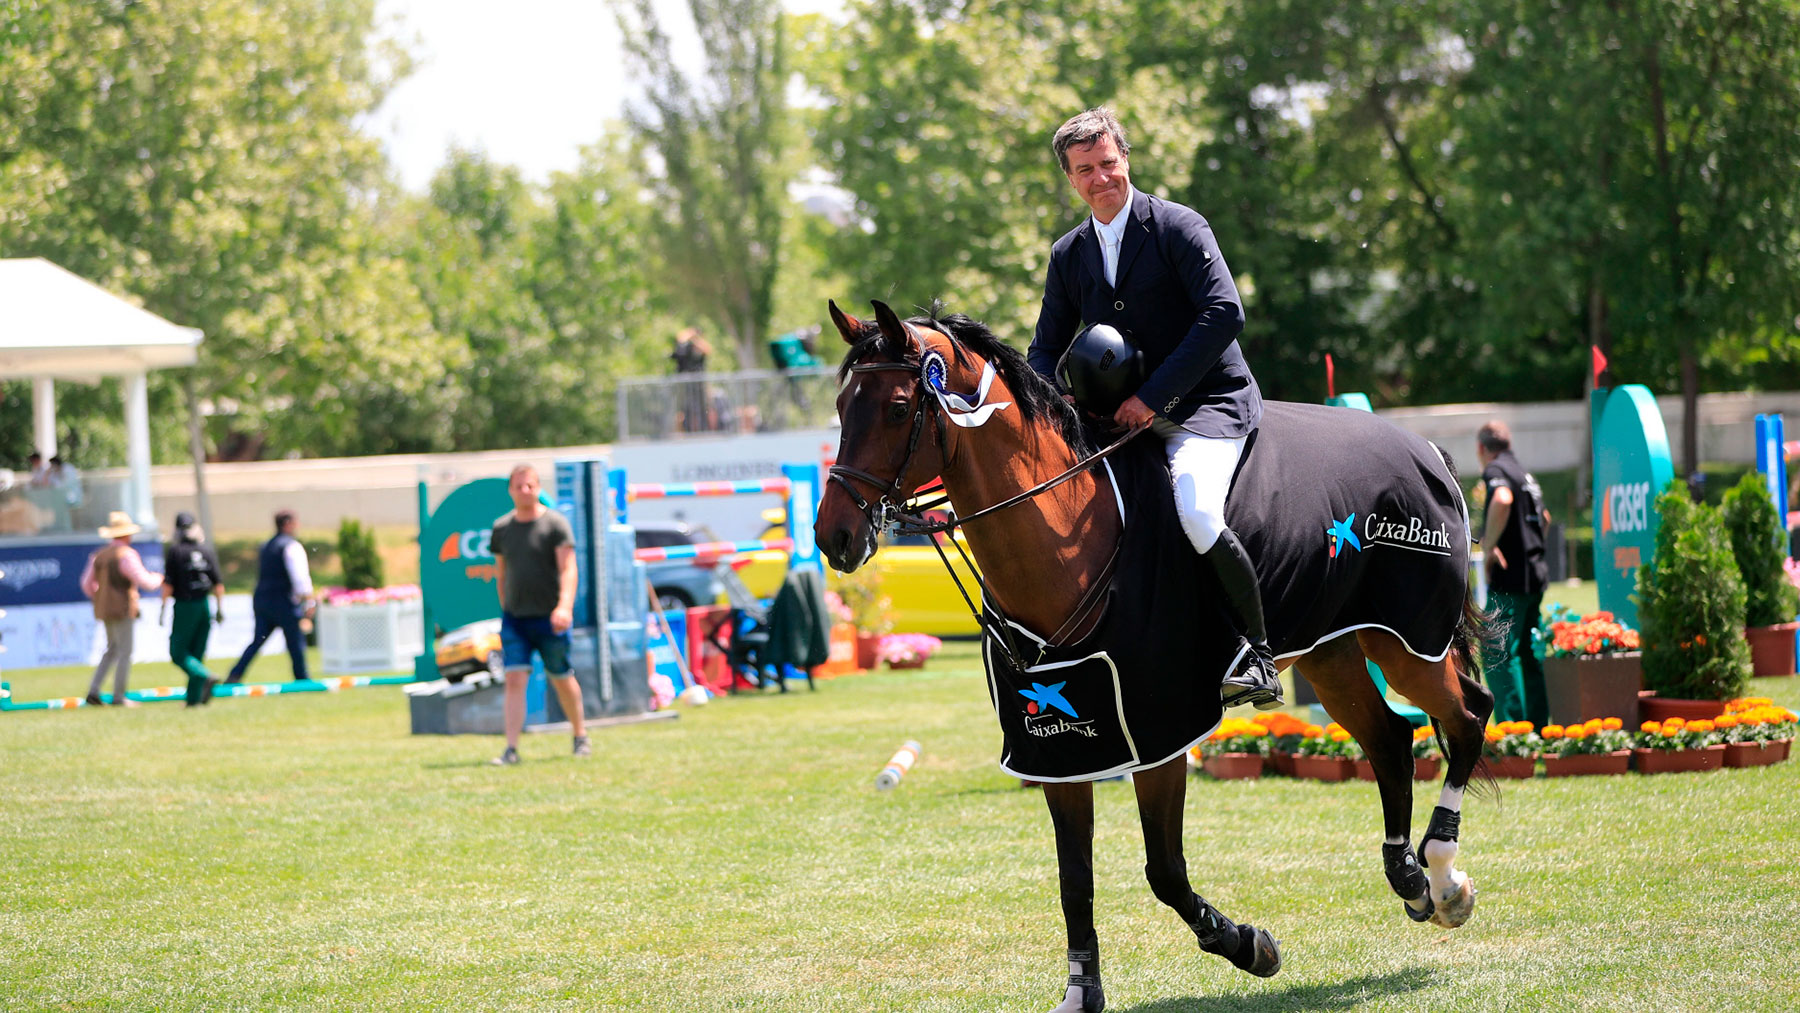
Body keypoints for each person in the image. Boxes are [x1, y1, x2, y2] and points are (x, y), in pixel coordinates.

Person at [1026, 106, 1280, 709]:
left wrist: (1151, 397)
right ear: (1070, 178)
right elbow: (1044, 345)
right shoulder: (1069, 253)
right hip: (1115, 417)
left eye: (1108, 163)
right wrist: (1040, 408)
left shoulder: (1179, 227)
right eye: (1085, 170)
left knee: (1195, 511)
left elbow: (1225, 313)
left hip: (1205, 404)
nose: (1100, 178)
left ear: (1126, 158)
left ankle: (1259, 653)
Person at [490, 464, 589, 765]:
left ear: (538, 488)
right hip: (515, 619)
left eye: (530, 485)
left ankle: (580, 734)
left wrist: (564, 606)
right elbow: (501, 573)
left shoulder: (555, 524)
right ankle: (511, 749)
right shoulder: (502, 529)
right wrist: (506, 606)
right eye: (519, 486)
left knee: (561, 677)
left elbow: (568, 569)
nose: (525, 491)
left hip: (550, 617)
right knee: (514, 679)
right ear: (510, 490)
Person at [1476, 420, 1550, 726]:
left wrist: (1489, 547)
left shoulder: (1497, 471)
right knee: (1529, 655)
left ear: (1482, 449)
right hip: (1535, 575)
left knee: (1497, 652)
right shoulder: (1525, 474)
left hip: (1509, 579)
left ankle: (1513, 730)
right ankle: (1539, 726)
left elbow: (1502, 500)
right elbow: (1544, 518)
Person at [80, 510, 164, 707]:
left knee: (111, 649)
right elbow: (143, 580)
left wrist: (100, 596)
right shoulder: (126, 555)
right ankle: (119, 696)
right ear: (127, 534)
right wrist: (159, 579)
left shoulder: (98, 555)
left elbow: (86, 584)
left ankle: (94, 690)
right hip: (123, 607)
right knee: (125, 651)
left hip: (103, 608)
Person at [227, 509, 314, 684]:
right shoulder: (291, 546)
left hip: (262, 601)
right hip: (284, 602)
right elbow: (300, 577)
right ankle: (302, 679)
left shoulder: (265, 546)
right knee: (295, 643)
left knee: (258, 641)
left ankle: (235, 675)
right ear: (288, 524)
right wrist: (308, 600)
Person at [163, 512, 226, 707]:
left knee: (178, 652)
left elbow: (168, 584)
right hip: (204, 605)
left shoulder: (175, 551)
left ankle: (204, 676)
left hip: (185, 605)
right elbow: (218, 584)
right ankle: (193, 700)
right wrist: (220, 608)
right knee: (196, 653)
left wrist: (162, 607)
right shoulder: (206, 551)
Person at [670, 327, 711, 433]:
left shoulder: (698, 346)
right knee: (685, 409)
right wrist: (686, 335)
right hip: (685, 386)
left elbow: (708, 350)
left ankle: (703, 431)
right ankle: (687, 431)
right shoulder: (683, 348)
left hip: (699, 385)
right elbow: (679, 341)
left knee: (701, 409)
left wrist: (694, 338)